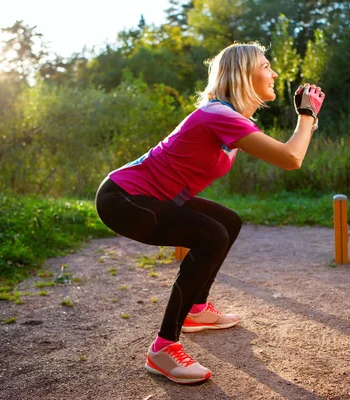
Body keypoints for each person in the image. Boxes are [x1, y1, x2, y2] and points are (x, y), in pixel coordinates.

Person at [95, 41, 325, 385]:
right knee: (210, 235)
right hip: (124, 197)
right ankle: (162, 348)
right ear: (243, 74)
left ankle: (197, 309)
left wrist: (307, 122)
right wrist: (306, 116)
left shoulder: (229, 119)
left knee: (227, 222)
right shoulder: (219, 115)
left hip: (155, 197)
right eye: (265, 66)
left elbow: (290, 150)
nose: (274, 72)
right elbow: (291, 158)